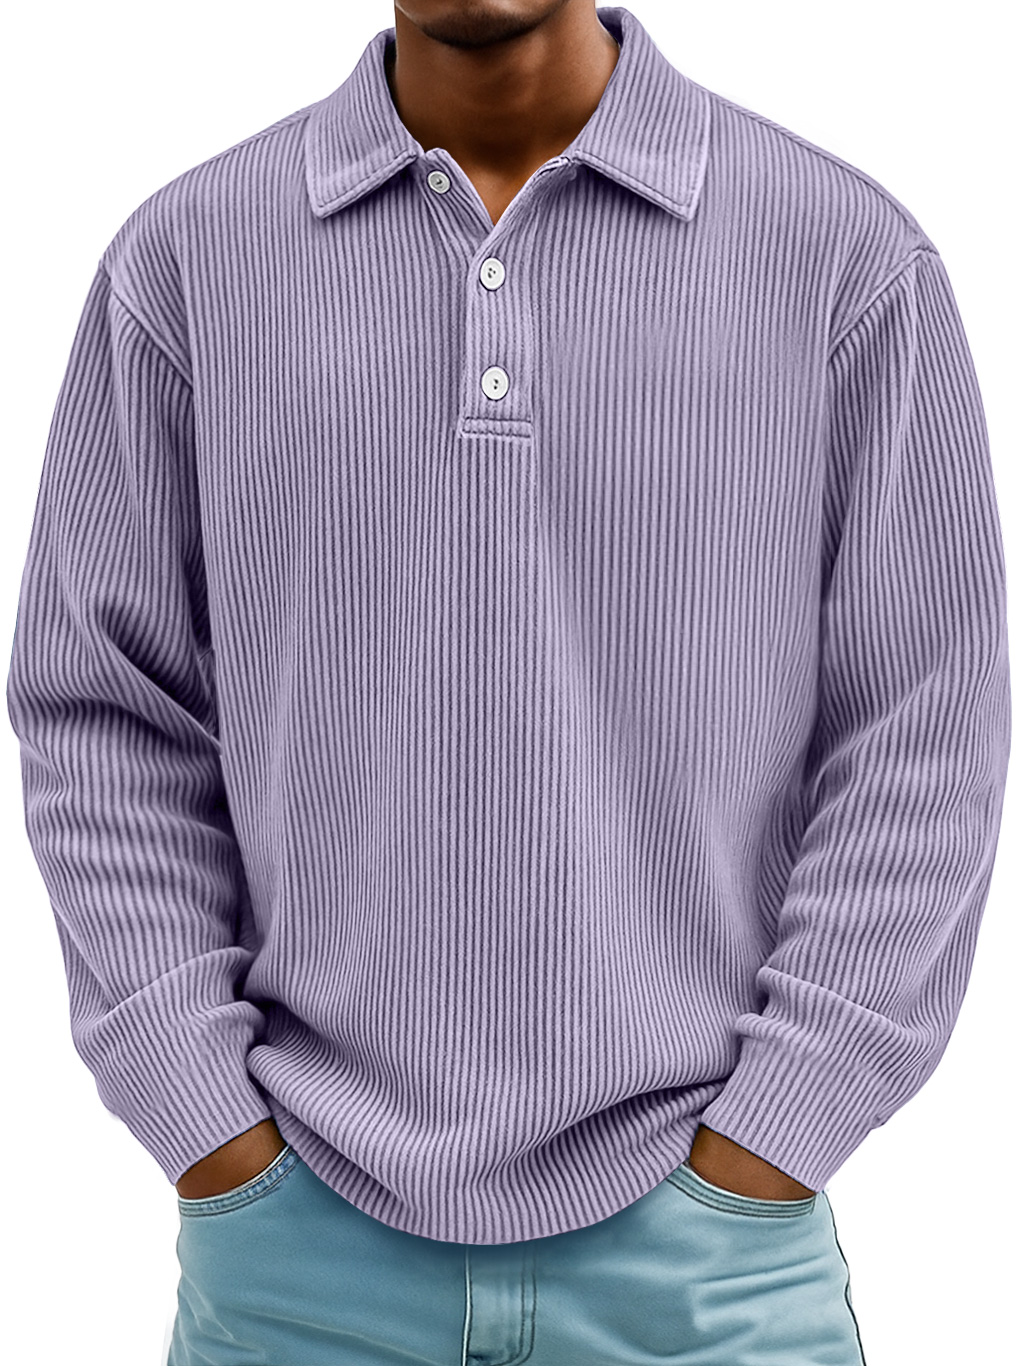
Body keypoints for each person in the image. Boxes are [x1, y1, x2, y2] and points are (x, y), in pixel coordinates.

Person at [5, 2, 1010, 1363]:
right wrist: (204, 1120)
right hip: (298, 1268)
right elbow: (102, 712)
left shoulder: (842, 257)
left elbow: (926, 727)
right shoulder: (188, 260)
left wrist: (779, 1131)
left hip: (707, 1272)